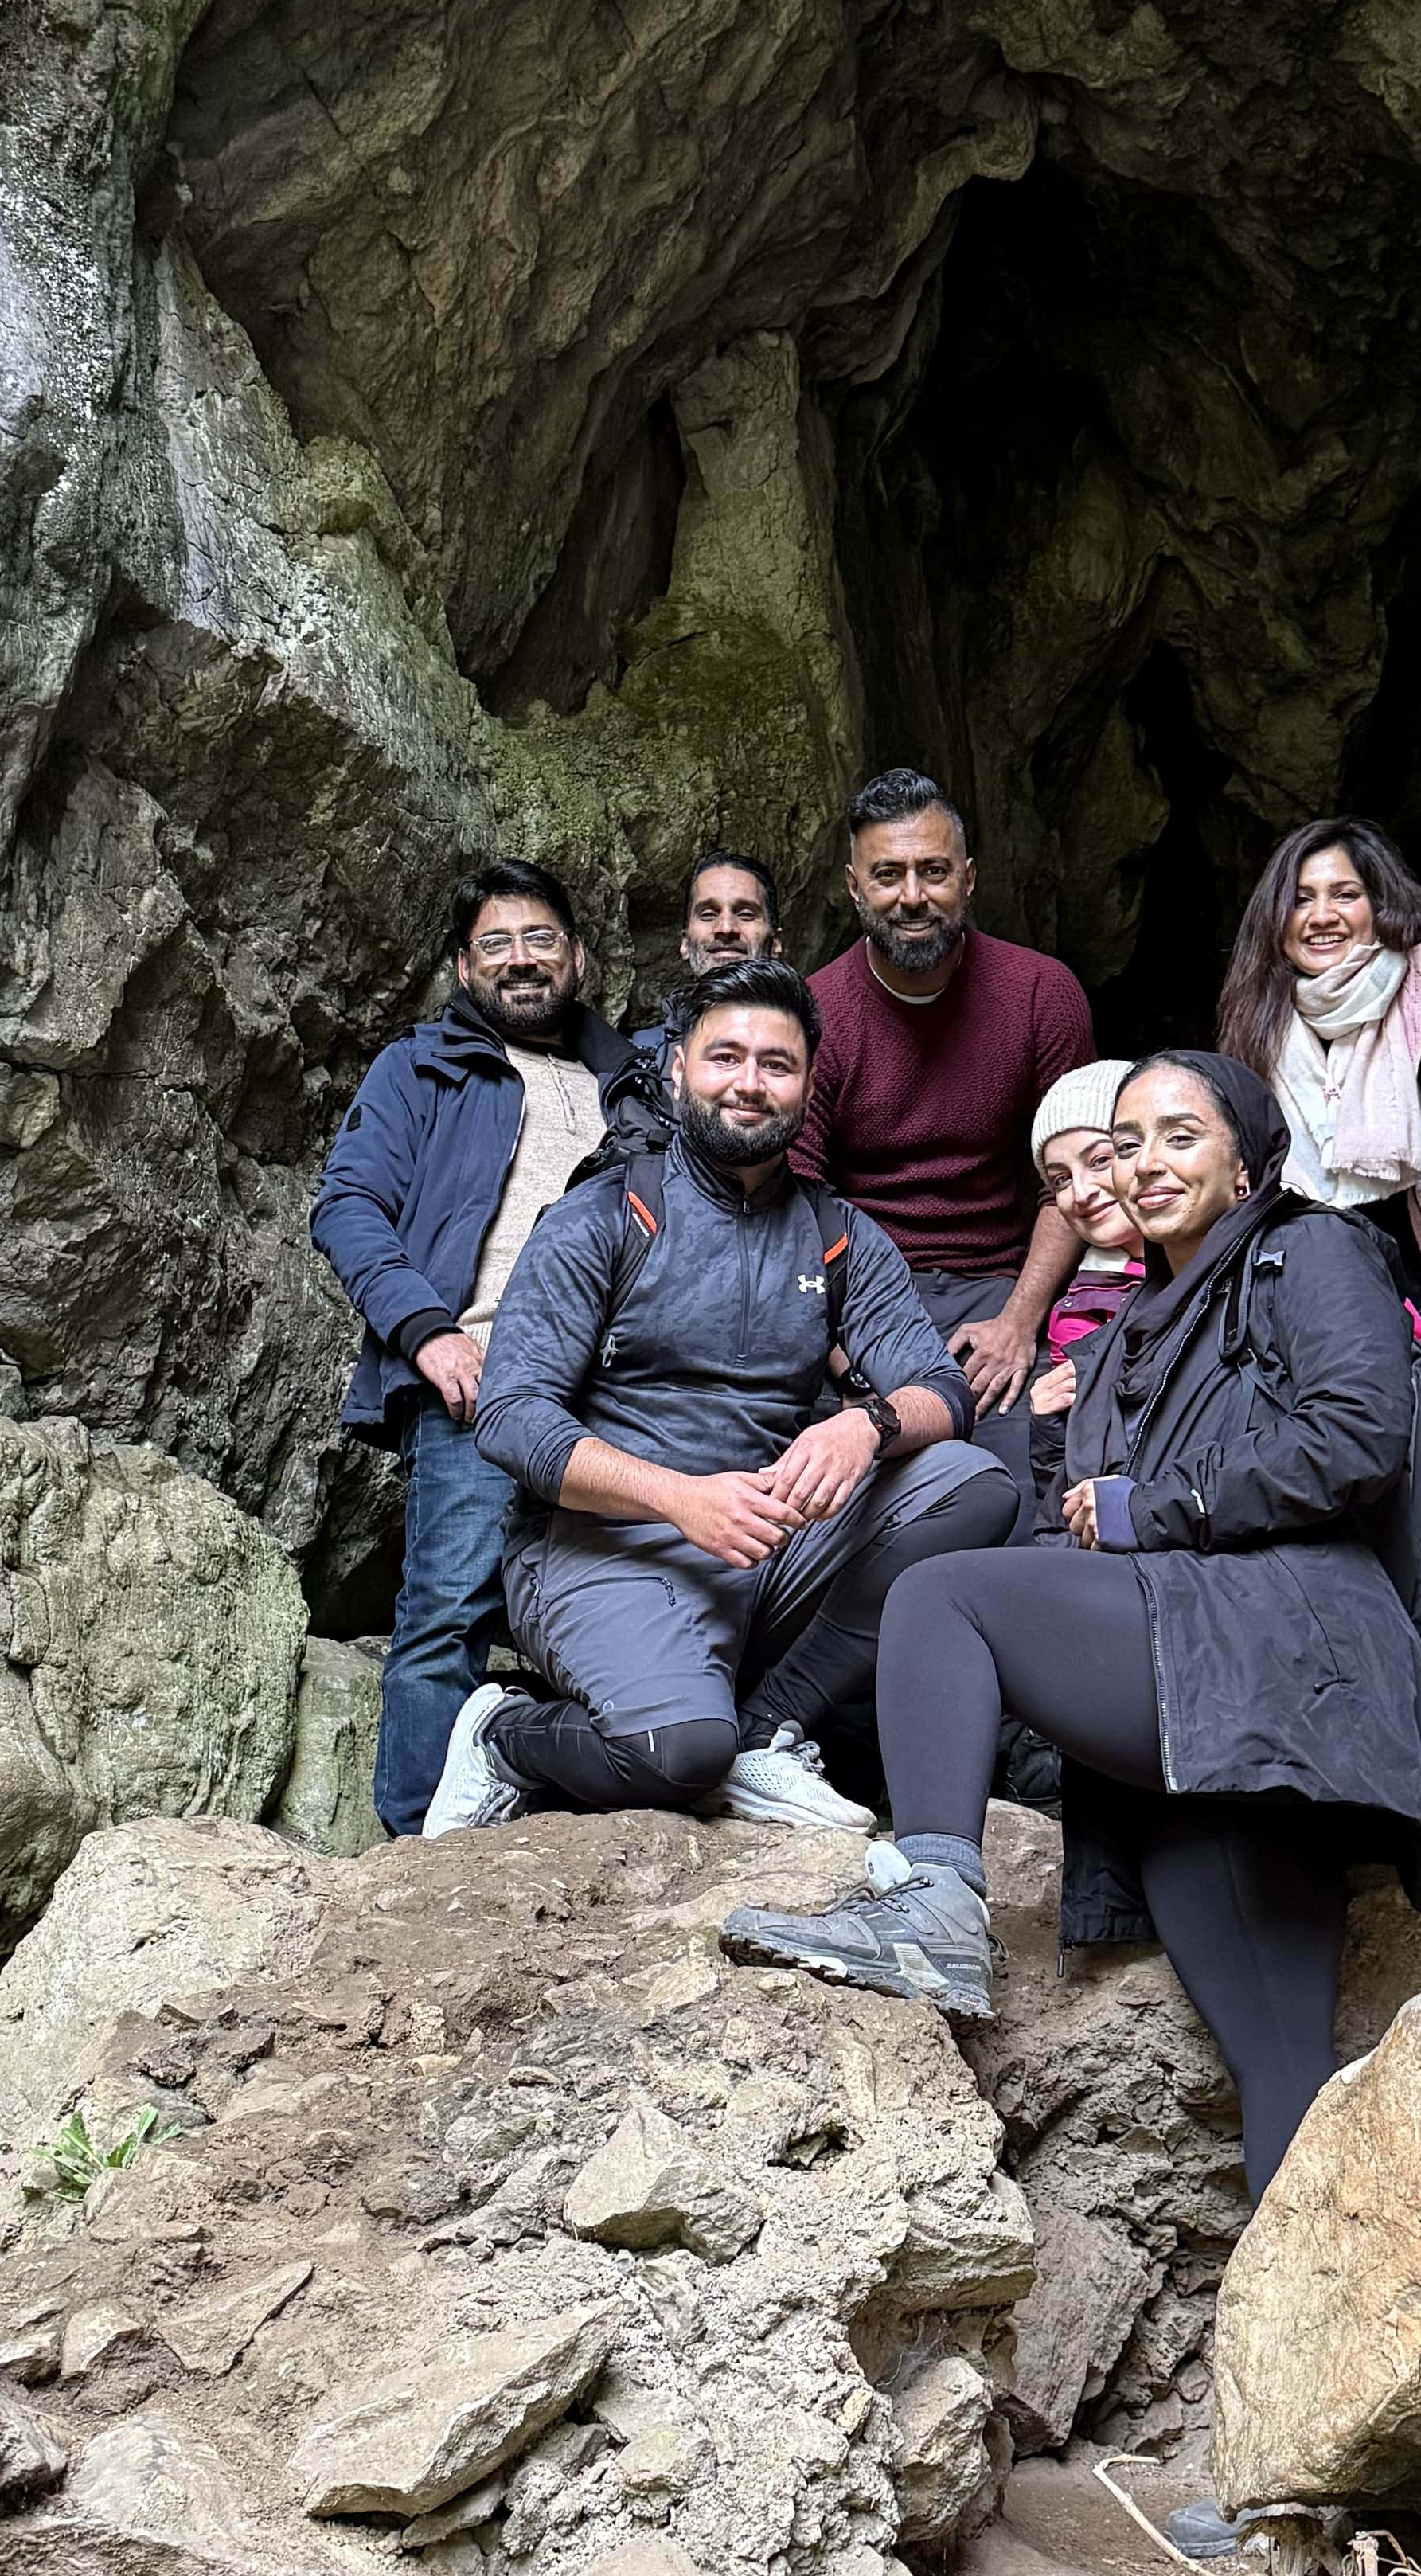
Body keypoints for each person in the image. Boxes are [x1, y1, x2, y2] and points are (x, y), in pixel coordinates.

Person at [727, 1052, 1421, 2205]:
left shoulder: (1310, 1250)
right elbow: (1076, 1527)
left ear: (1248, 1159)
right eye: (1126, 1142)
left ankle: (938, 1904)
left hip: (1285, 1648)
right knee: (1280, 2059)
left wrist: (1161, 1506)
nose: (1144, 1163)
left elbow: (1360, 1437)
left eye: (1179, 1136)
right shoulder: (1120, 1339)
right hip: (1219, 1726)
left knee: (944, 1594)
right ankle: (1304, 2359)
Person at [431, 961, 1014, 1832]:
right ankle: (504, 1733)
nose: (750, 1083)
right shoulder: (603, 1218)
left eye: (777, 1064)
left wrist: (867, 1425)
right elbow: (513, 1419)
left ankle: (765, 1732)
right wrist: (678, 1498)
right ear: (676, 1070)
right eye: (725, 1057)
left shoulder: (838, 1233)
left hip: (766, 1540)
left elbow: (942, 1391)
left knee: (974, 1484)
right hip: (609, 1548)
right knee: (675, 1754)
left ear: (809, 1087)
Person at [313, 861, 633, 1835]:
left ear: (578, 956)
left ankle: (589, 1832)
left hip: (623, 1394)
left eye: (540, 938)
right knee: (448, 1613)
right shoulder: (419, 1067)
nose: (522, 959)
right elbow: (349, 1205)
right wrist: (430, 1334)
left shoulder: (638, 1079)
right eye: (495, 943)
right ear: (463, 967)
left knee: (621, 1612)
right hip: (480, 1381)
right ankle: (415, 1850)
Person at [796, 771, 1099, 1507]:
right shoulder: (814, 1009)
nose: (912, 896)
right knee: (846, 1495)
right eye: (888, 874)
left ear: (967, 879)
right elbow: (791, 1203)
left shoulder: (1040, 993)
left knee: (1026, 1487)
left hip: (999, 1287)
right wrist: (841, 1358)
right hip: (860, 1295)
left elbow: (1077, 1180)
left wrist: (1019, 1325)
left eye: (933, 872)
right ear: (854, 887)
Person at [1213, 818, 1421, 1350]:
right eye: (1301, 900)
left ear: (1379, 908)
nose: (1322, 916)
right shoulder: (1257, 1017)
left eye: (1345, 895)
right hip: (1311, 1281)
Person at [603, 849, 786, 1167]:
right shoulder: (639, 1057)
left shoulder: (813, 1052)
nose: (726, 928)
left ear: (775, 942)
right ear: (685, 941)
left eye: (745, 913)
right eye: (708, 913)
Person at [1022, 1056, 1139, 1499]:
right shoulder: (1080, 1312)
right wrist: (1050, 1426)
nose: (1082, 1193)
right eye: (1060, 1180)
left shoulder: (1245, 1256)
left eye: (1101, 1160)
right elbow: (1066, 1490)